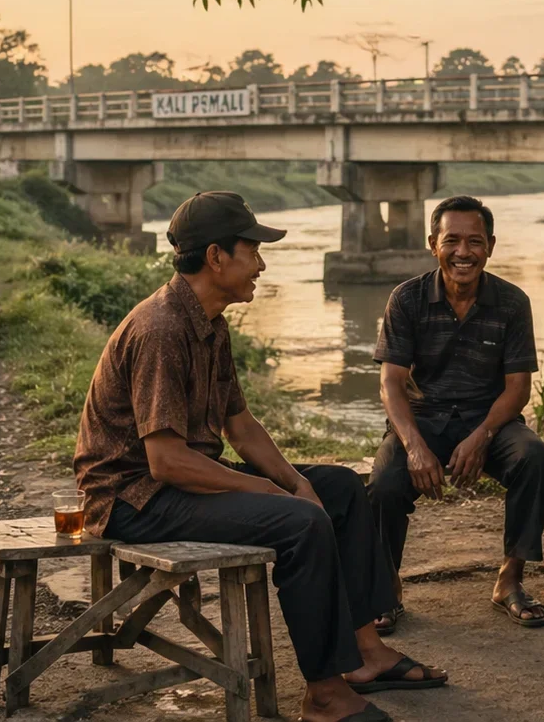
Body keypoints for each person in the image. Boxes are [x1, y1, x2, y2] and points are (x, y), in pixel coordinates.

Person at [74, 191, 447, 722]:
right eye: (253, 251)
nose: (261, 264)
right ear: (216, 257)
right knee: (300, 524)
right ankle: (324, 695)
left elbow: (241, 427)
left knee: (338, 488)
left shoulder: (210, 323)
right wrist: (277, 494)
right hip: (134, 499)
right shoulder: (162, 328)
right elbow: (166, 462)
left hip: (176, 483)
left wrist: (296, 481)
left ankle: (368, 654)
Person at [367, 195, 544, 633]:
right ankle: (387, 588)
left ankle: (510, 580)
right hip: (422, 419)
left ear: (490, 246)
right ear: (432, 243)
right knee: (383, 484)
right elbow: (391, 383)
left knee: (536, 459)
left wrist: (483, 434)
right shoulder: (407, 299)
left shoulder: (512, 302)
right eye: (451, 240)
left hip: (490, 418)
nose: (463, 252)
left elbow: (517, 388)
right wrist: (414, 446)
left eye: (475, 241)